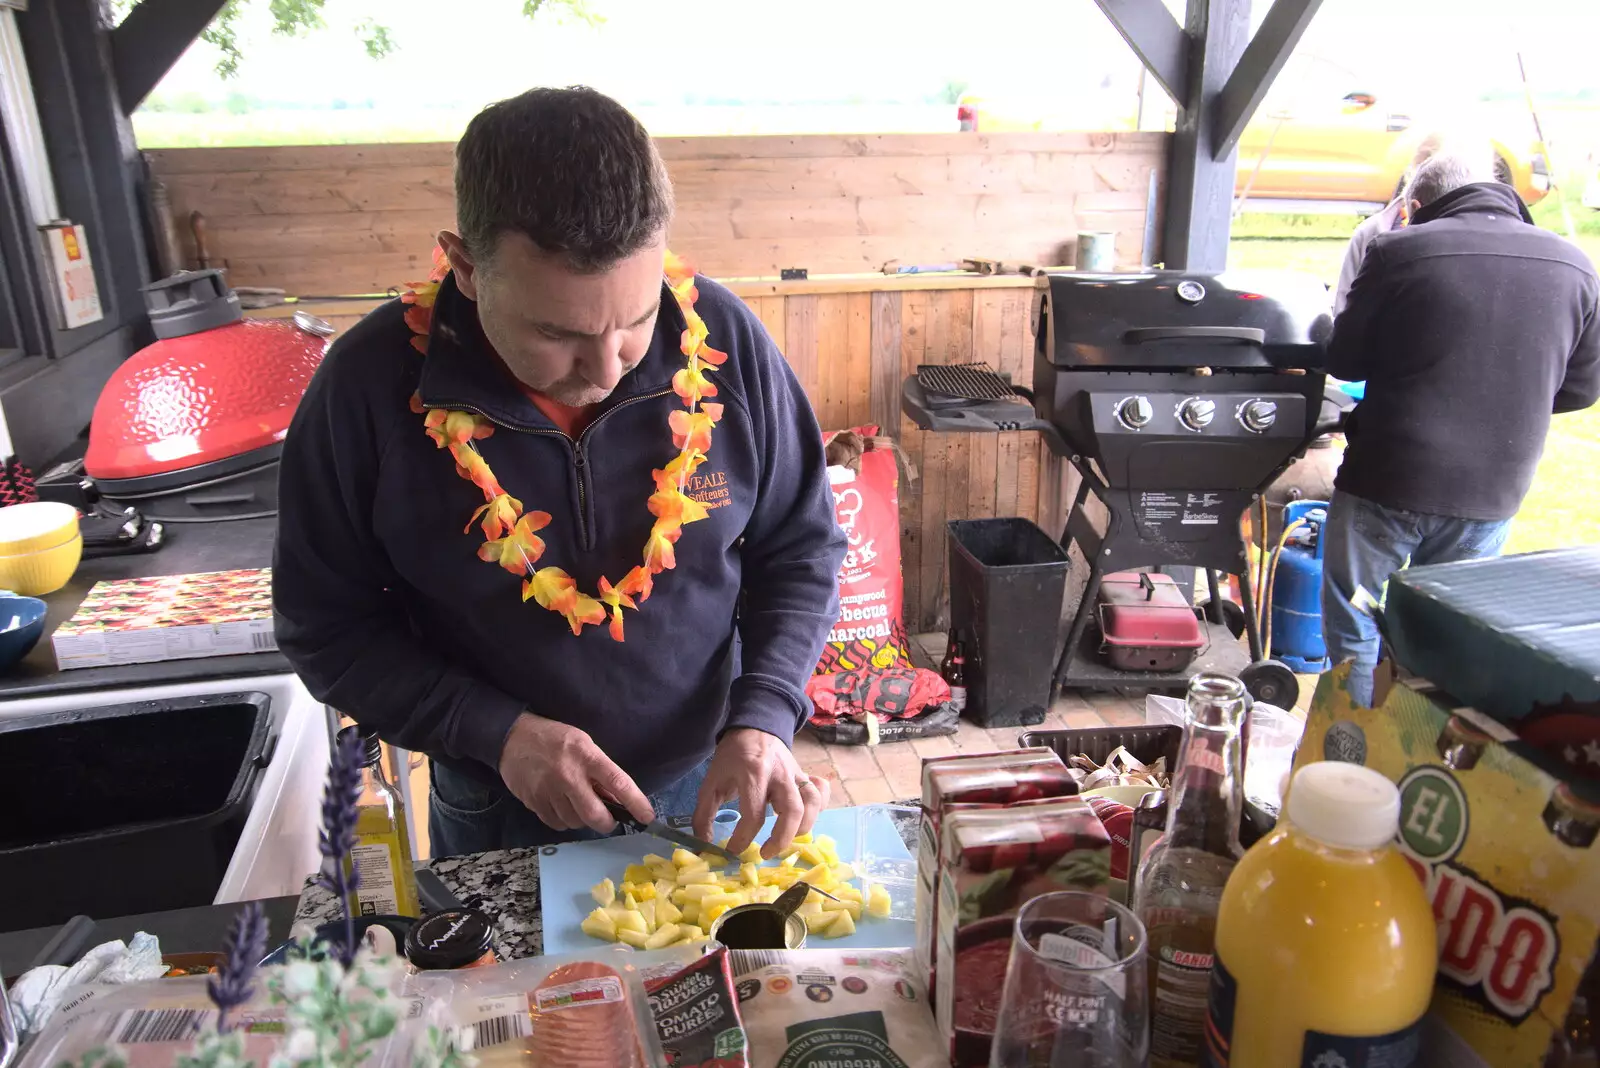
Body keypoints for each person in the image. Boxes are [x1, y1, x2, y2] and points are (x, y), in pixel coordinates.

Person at [273, 87, 847, 858]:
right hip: (496, 800)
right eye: (559, 333)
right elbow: (325, 628)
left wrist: (766, 715)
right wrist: (495, 732)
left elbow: (801, 549)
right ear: (468, 268)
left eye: (637, 321)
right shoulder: (368, 386)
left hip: (708, 776)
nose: (609, 368)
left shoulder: (724, 340)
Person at [1321, 152, 1600, 706]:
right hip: (1492, 489)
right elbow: (1581, 389)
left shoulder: (1400, 250)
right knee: (1445, 630)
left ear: (1415, 206)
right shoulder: (1577, 264)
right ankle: (1422, 749)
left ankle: (1347, 742)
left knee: (1356, 613)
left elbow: (1345, 359)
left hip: (1388, 479)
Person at [1331, 132, 1479, 316]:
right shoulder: (1372, 233)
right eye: (1424, 165)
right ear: (1411, 174)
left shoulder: (1476, 246)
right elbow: (1343, 314)